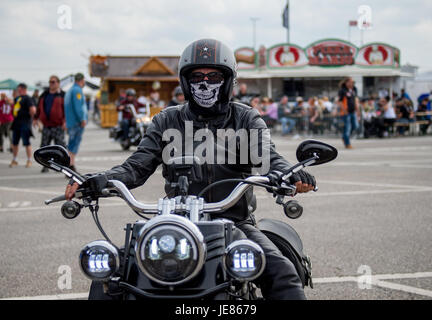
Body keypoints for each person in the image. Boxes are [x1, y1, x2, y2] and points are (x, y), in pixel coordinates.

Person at [65, 39, 316, 300]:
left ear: (228, 80)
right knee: (111, 275)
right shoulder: (166, 119)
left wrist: (289, 174)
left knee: (281, 272)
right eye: (197, 76)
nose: (204, 83)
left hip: (234, 222)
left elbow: (268, 156)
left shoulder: (244, 118)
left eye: (214, 76)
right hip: (173, 223)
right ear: (185, 81)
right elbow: (136, 167)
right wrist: (99, 180)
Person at [34, 75, 66, 172]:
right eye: (50, 82)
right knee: (44, 146)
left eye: (53, 82)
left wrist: (65, 121)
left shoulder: (63, 95)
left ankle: (61, 167)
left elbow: (67, 110)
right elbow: (38, 107)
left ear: (58, 83)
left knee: (60, 147)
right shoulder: (44, 94)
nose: (51, 84)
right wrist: (35, 118)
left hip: (58, 125)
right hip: (46, 126)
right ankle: (45, 165)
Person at [64, 73, 87, 172]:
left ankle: (70, 164)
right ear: (82, 80)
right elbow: (78, 107)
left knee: (71, 143)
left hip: (70, 121)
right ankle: (71, 165)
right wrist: (82, 118)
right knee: (74, 144)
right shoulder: (77, 90)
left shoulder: (70, 90)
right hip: (76, 122)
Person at [9, 83, 37, 168]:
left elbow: (33, 109)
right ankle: (15, 159)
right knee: (15, 143)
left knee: (26, 142)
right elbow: (11, 103)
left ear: (23, 89)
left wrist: (32, 119)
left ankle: (29, 160)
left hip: (25, 123)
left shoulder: (27, 98)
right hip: (16, 123)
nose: (18, 90)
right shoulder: (18, 98)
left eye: (19, 89)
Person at [338, 77, 359, 149]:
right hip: (346, 113)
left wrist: (357, 110)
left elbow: (356, 100)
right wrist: (344, 110)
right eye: (351, 82)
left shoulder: (354, 89)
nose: (352, 84)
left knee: (355, 126)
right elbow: (340, 102)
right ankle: (347, 144)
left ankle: (344, 137)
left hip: (353, 112)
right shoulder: (342, 90)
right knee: (347, 128)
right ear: (346, 83)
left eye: (353, 82)